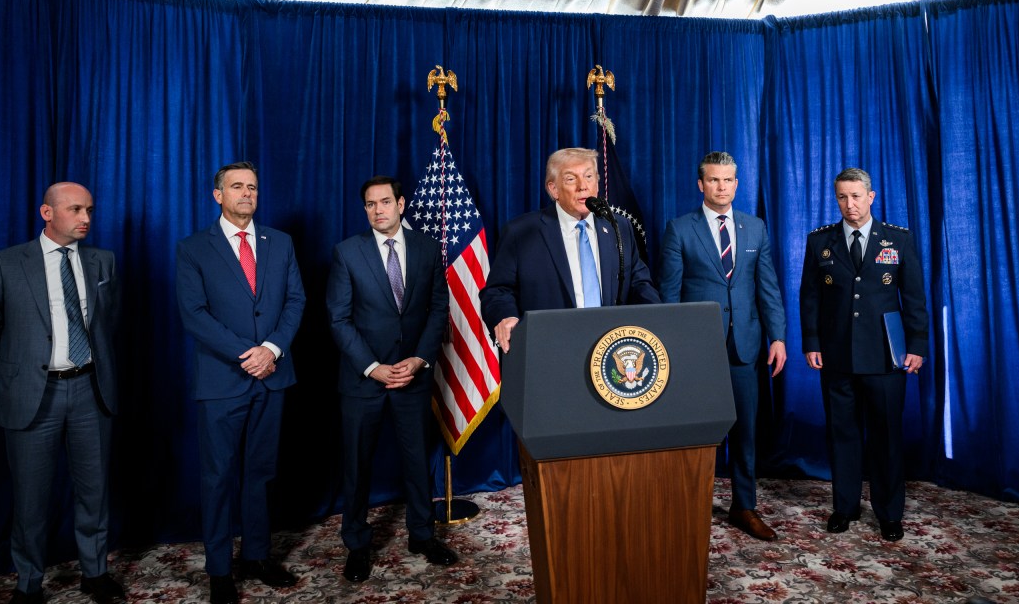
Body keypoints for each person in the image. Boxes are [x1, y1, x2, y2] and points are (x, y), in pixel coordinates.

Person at [0, 182, 126, 604]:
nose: (86, 219)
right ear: (46, 212)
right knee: (31, 498)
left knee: (94, 492)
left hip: (91, 391)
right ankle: (29, 582)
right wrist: (22, 365)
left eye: (90, 210)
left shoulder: (102, 261)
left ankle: (94, 573)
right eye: (75, 209)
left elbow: (108, 323)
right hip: (34, 397)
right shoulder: (6, 263)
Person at [176, 162, 305, 604]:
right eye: (236, 187)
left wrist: (272, 348)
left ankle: (257, 556)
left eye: (252, 186)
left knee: (262, 475)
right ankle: (219, 571)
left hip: (273, 376)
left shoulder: (281, 242)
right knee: (217, 477)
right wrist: (245, 355)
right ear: (218, 195)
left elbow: (295, 300)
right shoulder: (194, 248)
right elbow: (194, 314)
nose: (246, 193)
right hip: (222, 381)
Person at [326, 175, 458, 583]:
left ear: (401, 204)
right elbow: (339, 319)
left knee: (418, 461)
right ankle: (357, 544)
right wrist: (373, 367)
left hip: (413, 376)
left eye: (385, 202)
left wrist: (419, 359)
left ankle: (422, 535)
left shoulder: (425, 248)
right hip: (363, 380)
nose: (377, 210)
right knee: (357, 466)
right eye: (370, 204)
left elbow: (438, 309)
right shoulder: (347, 253)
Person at [658, 152, 787, 542]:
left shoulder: (755, 228)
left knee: (746, 431)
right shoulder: (680, 229)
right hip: (698, 350)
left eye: (728, 180)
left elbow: (767, 287)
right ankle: (691, 504)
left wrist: (778, 336)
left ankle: (743, 506)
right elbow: (669, 296)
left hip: (745, 347)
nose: (721, 187)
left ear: (736, 184)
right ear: (701, 184)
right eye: (714, 180)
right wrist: (674, 347)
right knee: (699, 433)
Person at [799, 167, 929, 542]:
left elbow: (915, 299)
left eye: (856, 196)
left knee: (886, 436)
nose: (849, 204)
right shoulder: (820, 242)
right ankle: (845, 506)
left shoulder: (898, 240)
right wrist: (812, 341)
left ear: (871, 197)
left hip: (885, 355)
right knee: (843, 434)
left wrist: (917, 346)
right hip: (837, 354)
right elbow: (810, 297)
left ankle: (889, 513)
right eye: (842, 196)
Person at [480, 147, 660, 351]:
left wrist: (658, 319)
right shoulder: (521, 233)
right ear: (553, 189)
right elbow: (497, 291)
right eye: (571, 179)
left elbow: (640, 283)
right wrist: (507, 317)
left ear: (598, 183)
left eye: (589, 176)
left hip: (609, 350)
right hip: (549, 349)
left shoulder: (618, 227)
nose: (583, 186)